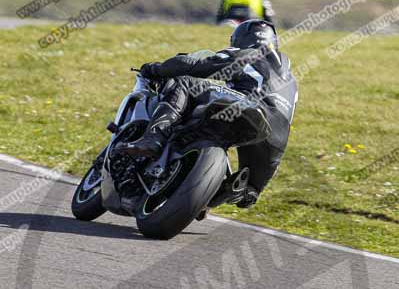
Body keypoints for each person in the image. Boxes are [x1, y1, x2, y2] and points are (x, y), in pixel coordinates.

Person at [121, 20, 298, 208]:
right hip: (277, 137)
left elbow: (198, 65)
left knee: (185, 83)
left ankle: (153, 137)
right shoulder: (291, 80)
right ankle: (226, 190)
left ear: (241, 39)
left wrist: (156, 69)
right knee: (248, 194)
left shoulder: (250, 53)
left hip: (248, 106)